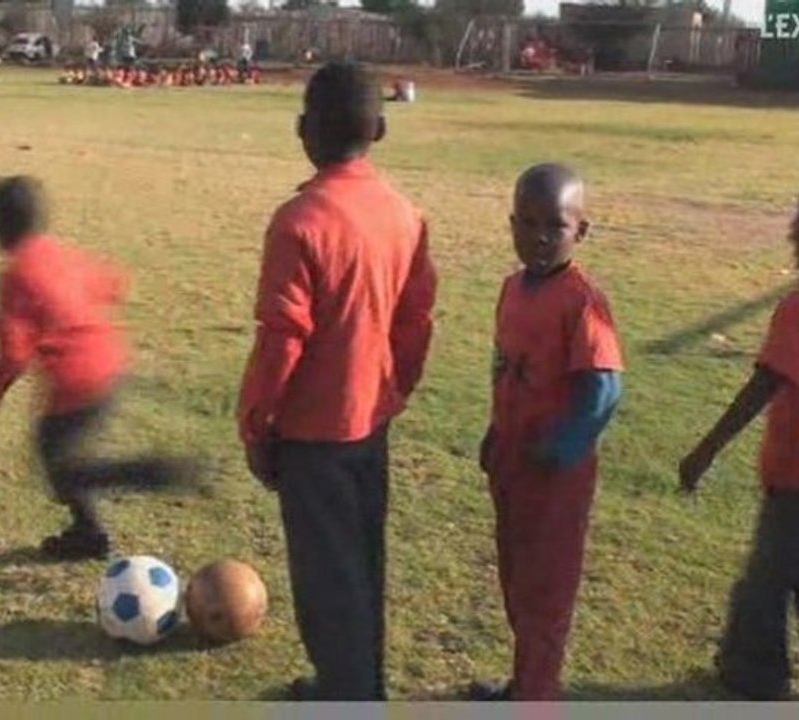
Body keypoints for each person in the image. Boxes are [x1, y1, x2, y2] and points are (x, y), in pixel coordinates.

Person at [237, 62, 437, 701]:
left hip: (312, 434)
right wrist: (394, 389)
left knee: (326, 579)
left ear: (303, 130)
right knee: (362, 562)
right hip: (370, 422)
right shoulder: (406, 216)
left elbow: (282, 339)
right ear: (379, 128)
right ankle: (358, 685)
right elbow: (417, 321)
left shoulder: (299, 222)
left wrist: (255, 423)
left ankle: (346, 694)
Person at [0, 176, 201, 561]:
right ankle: (88, 534)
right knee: (56, 457)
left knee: (63, 468)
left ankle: (146, 474)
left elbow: (14, 355)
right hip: (110, 364)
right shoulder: (59, 253)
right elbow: (113, 284)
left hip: (78, 381)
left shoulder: (15, 276)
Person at [471, 163, 624, 701]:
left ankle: (537, 699)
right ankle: (525, 683)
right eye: (527, 223)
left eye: (554, 226)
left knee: (546, 592)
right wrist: (497, 433)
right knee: (516, 580)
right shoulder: (513, 288)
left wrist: (560, 449)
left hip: (555, 477)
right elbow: (503, 366)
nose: (538, 237)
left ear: (580, 231)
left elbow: (603, 388)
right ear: (510, 223)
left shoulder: (581, 301)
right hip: (513, 463)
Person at [679, 199, 799, 701]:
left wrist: (705, 450)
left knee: (765, 585)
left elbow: (765, 384)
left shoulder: (796, 312)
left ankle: (753, 673)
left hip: (794, 482)